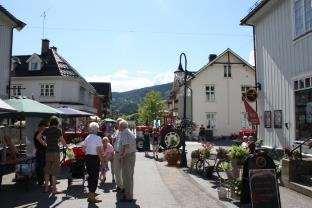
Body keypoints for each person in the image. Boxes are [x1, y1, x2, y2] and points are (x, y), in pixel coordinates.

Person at [37, 116, 66, 194]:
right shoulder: (58, 130)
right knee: (54, 171)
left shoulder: (46, 130)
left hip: (48, 152)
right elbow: (62, 141)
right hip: (55, 152)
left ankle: (46, 188)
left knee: (47, 170)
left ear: (51, 123)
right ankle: (54, 189)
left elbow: (38, 137)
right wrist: (67, 147)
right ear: (57, 123)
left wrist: (45, 144)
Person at [82, 122, 103, 203]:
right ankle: (91, 196)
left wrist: (89, 150)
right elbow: (98, 151)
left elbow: (83, 149)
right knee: (95, 177)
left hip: (88, 158)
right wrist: (102, 160)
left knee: (90, 176)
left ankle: (91, 194)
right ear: (96, 129)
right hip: (95, 158)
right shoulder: (98, 138)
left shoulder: (87, 137)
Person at [119, 120, 137, 202]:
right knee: (130, 176)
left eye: (119, 125)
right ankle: (129, 195)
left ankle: (128, 196)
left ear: (122, 126)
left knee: (126, 177)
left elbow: (126, 147)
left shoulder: (124, 133)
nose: (118, 127)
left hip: (127, 156)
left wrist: (122, 156)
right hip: (132, 155)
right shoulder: (129, 132)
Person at [34, 121, 48, 186]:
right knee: (40, 167)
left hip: (42, 152)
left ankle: (43, 181)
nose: (44, 129)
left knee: (43, 167)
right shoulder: (38, 134)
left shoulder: (41, 134)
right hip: (40, 152)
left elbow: (44, 142)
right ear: (40, 127)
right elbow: (42, 143)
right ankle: (41, 182)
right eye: (43, 127)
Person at [112, 118, 124, 192]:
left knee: (121, 171)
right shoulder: (116, 132)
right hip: (116, 152)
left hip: (121, 153)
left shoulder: (124, 133)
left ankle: (123, 187)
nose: (117, 125)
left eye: (118, 124)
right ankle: (119, 186)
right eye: (117, 124)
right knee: (116, 170)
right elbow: (113, 139)